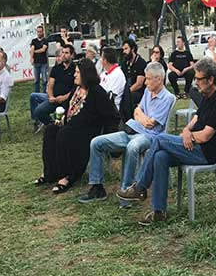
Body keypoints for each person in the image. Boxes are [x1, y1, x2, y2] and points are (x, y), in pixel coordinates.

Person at [117, 58, 216, 225]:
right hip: (194, 145)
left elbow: (205, 136)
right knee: (160, 157)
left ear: (210, 80)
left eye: (199, 79)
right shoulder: (208, 94)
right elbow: (196, 118)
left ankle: (140, 186)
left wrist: (189, 136)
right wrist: (186, 130)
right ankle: (159, 212)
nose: (195, 83)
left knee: (159, 138)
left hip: (206, 153)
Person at [78, 62, 174, 204]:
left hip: (150, 136)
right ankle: (97, 187)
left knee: (132, 147)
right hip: (132, 130)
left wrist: (141, 116)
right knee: (96, 142)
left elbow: (151, 124)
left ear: (158, 79)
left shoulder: (168, 97)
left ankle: (127, 191)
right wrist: (142, 117)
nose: (145, 82)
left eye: (148, 79)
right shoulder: (148, 92)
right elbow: (137, 111)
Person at [34, 59, 120, 193]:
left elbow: (112, 115)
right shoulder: (76, 88)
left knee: (64, 133)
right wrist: (62, 117)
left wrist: (107, 133)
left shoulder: (97, 92)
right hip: (71, 125)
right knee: (51, 129)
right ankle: (50, 172)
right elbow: (68, 106)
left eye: (77, 72)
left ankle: (67, 175)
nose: (74, 75)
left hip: (87, 131)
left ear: (86, 74)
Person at [29, 45, 76, 131]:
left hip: (69, 100)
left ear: (72, 55)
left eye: (66, 53)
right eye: (62, 52)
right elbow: (50, 85)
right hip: (54, 99)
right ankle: (53, 125)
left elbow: (76, 88)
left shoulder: (75, 69)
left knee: (67, 117)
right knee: (38, 111)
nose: (63, 55)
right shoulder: (56, 68)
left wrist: (64, 97)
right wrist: (51, 96)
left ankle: (61, 126)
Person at [120, 39, 147, 104]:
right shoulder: (125, 63)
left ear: (132, 49)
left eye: (126, 49)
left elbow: (139, 84)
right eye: (123, 49)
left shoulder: (140, 62)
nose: (124, 51)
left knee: (127, 98)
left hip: (138, 92)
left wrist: (127, 93)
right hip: (126, 90)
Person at [30, 25, 49, 93]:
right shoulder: (34, 41)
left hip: (43, 63)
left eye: (40, 31)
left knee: (44, 80)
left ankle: (44, 93)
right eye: (38, 32)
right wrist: (31, 57)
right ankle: (37, 93)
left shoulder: (45, 40)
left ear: (43, 32)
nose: (39, 33)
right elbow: (32, 49)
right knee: (36, 80)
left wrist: (34, 51)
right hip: (36, 62)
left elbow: (43, 49)